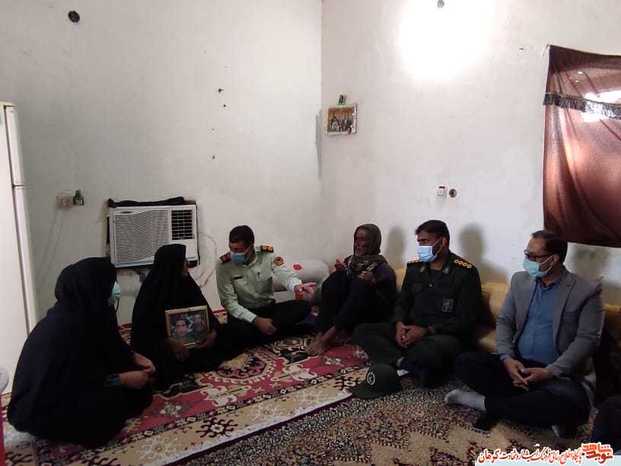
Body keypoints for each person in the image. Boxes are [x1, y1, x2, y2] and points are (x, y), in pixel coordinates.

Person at [446, 230, 604, 435]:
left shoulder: (586, 291)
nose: (527, 260)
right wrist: (507, 358)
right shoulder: (520, 281)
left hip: (558, 374)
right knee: (465, 362)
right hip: (517, 366)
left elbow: (587, 340)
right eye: (526, 254)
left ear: (553, 259)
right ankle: (533, 410)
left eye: (533, 256)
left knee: (572, 404)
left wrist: (550, 371)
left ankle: (481, 402)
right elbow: (505, 320)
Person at [8, 258, 153, 447]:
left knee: (140, 389)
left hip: (78, 384)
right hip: (45, 405)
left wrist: (134, 357)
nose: (116, 288)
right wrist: (123, 379)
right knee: (109, 410)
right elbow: (80, 382)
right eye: (111, 283)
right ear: (93, 287)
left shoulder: (88, 311)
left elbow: (109, 346)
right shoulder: (67, 329)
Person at [352, 220, 482, 390]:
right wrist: (399, 324)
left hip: (442, 335)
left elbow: (465, 320)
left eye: (425, 241)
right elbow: (402, 302)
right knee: (362, 331)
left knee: (427, 351)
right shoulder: (415, 268)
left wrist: (426, 331)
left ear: (442, 242)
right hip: (410, 329)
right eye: (419, 242)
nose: (421, 247)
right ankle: (405, 363)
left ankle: (401, 359)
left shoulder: (465, 272)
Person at [131, 244, 233, 389]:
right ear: (173, 265)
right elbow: (143, 332)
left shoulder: (188, 283)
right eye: (183, 261)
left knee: (230, 334)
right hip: (166, 346)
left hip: (193, 342)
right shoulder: (151, 292)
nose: (187, 264)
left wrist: (213, 333)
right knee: (159, 365)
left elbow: (207, 314)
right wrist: (169, 342)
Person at [216, 225, 312, 349]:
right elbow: (229, 303)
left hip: (267, 309)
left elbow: (284, 274)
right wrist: (256, 320)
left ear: (251, 246)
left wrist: (296, 285)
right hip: (244, 313)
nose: (234, 254)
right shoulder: (223, 265)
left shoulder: (267, 255)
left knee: (303, 307)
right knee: (238, 331)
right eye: (231, 249)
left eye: (238, 250)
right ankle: (281, 332)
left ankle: (262, 335)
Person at [308, 224, 397, 355]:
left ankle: (327, 337)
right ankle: (321, 332)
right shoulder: (350, 260)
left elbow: (388, 300)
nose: (358, 244)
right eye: (356, 239)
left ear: (373, 242)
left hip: (370, 314)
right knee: (336, 277)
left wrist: (373, 282)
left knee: (361, 285)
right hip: (349, 310)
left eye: (363, 239)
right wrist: (342, 272)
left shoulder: (383, 268)